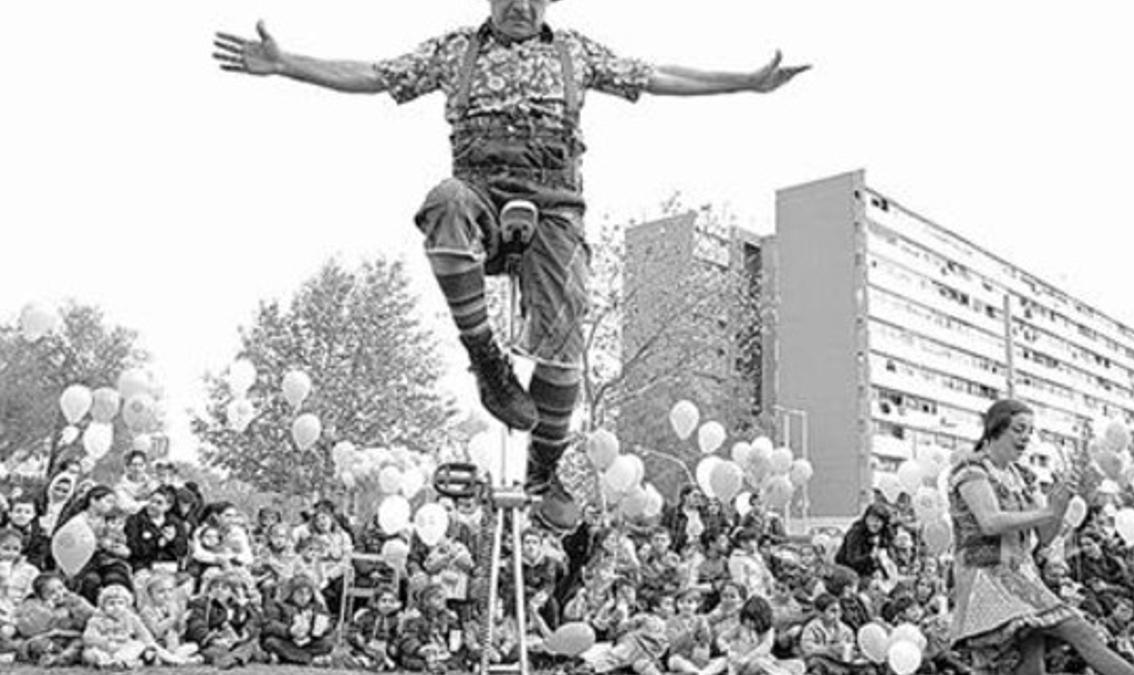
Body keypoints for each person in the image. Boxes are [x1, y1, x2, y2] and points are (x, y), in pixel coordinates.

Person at [212, 1, 808, 531]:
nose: (520, 5)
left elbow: (656, 76)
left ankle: (544, 471)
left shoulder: (576, 52)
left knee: (564, 337)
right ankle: (485, 358)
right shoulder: (455, 50)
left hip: (554, 205)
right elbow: (373, 75)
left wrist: (745, 83)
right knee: (443, 203)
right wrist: (288, 63)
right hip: (481, 193)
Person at [947, 399, 1134, 675]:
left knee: (1033, 664)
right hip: (986, 577)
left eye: (1030, 430)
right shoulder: (971, 471)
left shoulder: (1023, 477)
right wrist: (1048, 510)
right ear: (996, 428)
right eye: (1019, 429)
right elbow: (990, 522)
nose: (1026, 437)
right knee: (1078, 630)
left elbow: (1045, 536)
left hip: (1023, 575)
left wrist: (1059, 503)